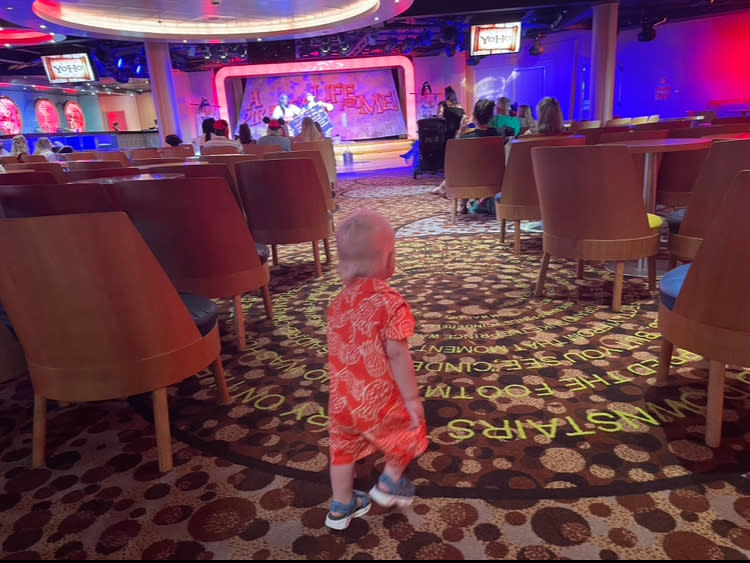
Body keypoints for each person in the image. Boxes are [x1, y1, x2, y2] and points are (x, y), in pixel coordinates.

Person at [325, 208, 427, 531]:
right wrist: (411, 399)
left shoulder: (338, 303)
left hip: (342, 400)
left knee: (341, 451)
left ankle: (341, 506)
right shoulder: (390, 302)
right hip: (377, 399)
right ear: (390, 259)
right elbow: (397, 355)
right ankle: (389, 481)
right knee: (409, 432)